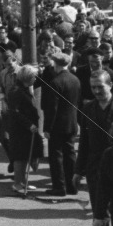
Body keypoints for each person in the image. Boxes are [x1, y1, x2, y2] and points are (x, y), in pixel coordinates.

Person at [74, 70, 113, 207]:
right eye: (93, 87)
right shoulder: (87, 108)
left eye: (100, 87)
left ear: (110, 85)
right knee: (99, 212)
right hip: (95, 167)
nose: (96, 91)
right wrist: (78, 170)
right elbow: (84, 141)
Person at [40, 53, 81, 195]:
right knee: (70, 155)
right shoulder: (75, 80)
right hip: (72, 122)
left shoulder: (55, 82)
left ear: (56, 64)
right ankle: (72, 186)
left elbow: (52, 108)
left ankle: (59, 186)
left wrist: (47, 128)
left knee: (56, 156)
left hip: (57, 125)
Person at [8, 65, 42, 194]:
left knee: (25, 156)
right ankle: (18, 183)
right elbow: (15, 112)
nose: (35, 79)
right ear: (27, 77)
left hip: (25, 129)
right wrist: (29, 124)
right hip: (20, 129)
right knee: (20, 157)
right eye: (34, 76)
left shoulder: (23, 88)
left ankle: (23, 182)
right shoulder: (16, 91)